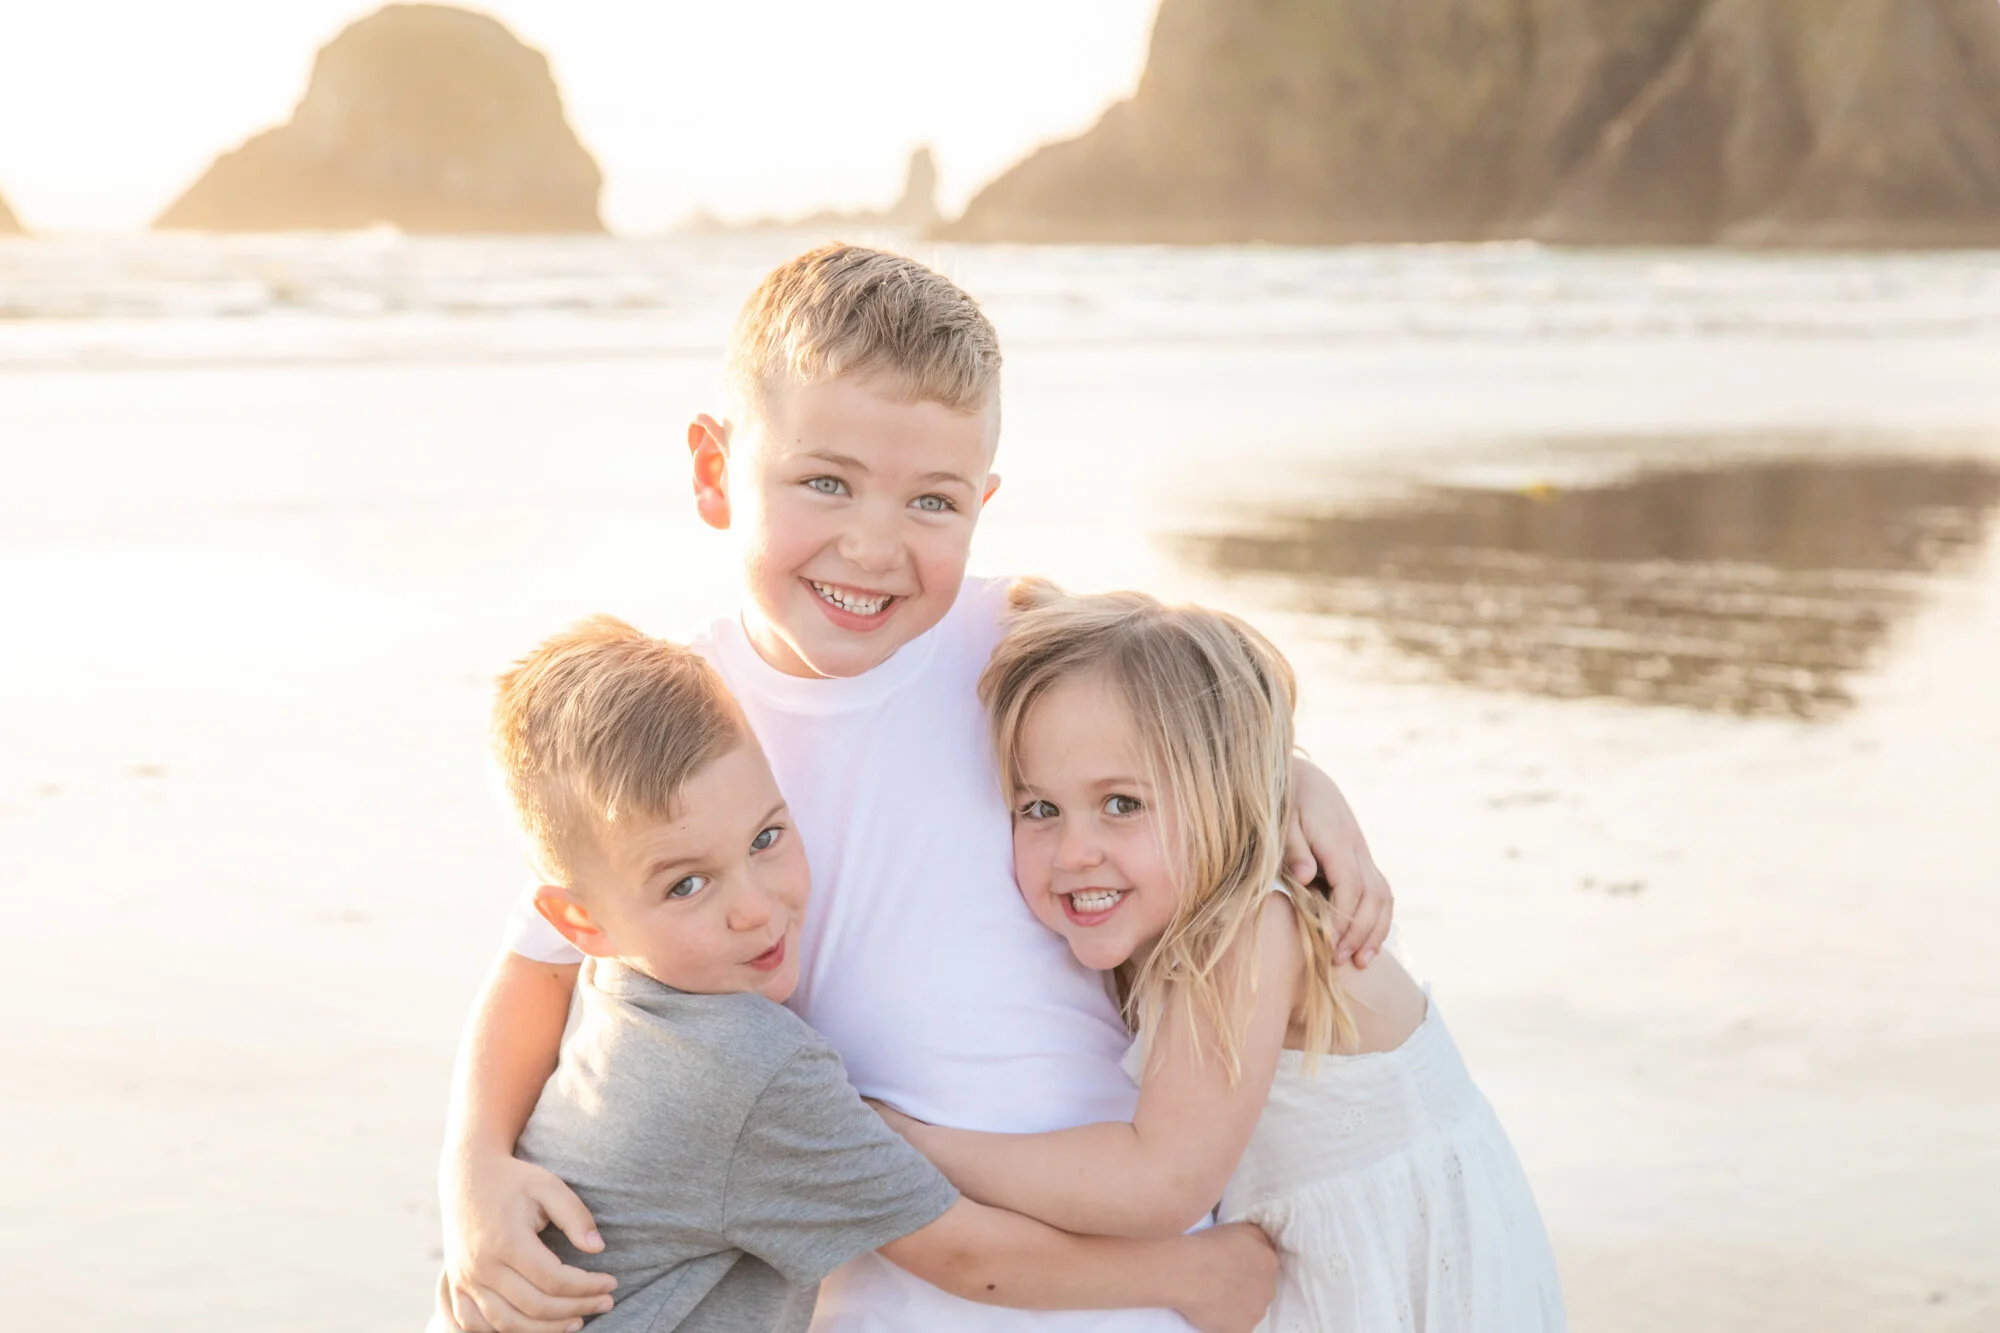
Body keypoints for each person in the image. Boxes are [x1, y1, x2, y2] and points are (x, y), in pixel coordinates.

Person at [439, 244, 1396, 1333]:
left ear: (982, 503)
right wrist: (470, 1168)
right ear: (715, 470)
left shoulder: (1017, 644)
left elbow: (1195, 726)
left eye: (931, 502)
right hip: (872, 1265)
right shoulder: (675, 722)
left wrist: (1293, 777)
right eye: (824, 481)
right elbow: (538, 962)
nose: (872, 546)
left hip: (1095, 1246)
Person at [427, 616, 1279, 1333]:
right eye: (687, 884)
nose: (754, 909)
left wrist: (1290, 783)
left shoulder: (620, 1005)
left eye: (768, 839)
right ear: (581, 924)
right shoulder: (748, 1070)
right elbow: (969, 1258)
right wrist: (1190, 1276)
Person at [870, 582, 1567, 1333]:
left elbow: (1158, 1181)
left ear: (1220, 792)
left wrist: (907, 1142)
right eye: (1040, 808)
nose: (1074, 852)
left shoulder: (1248, 928)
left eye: (1121, 803)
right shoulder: (1178, 901)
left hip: (1404, 1271)